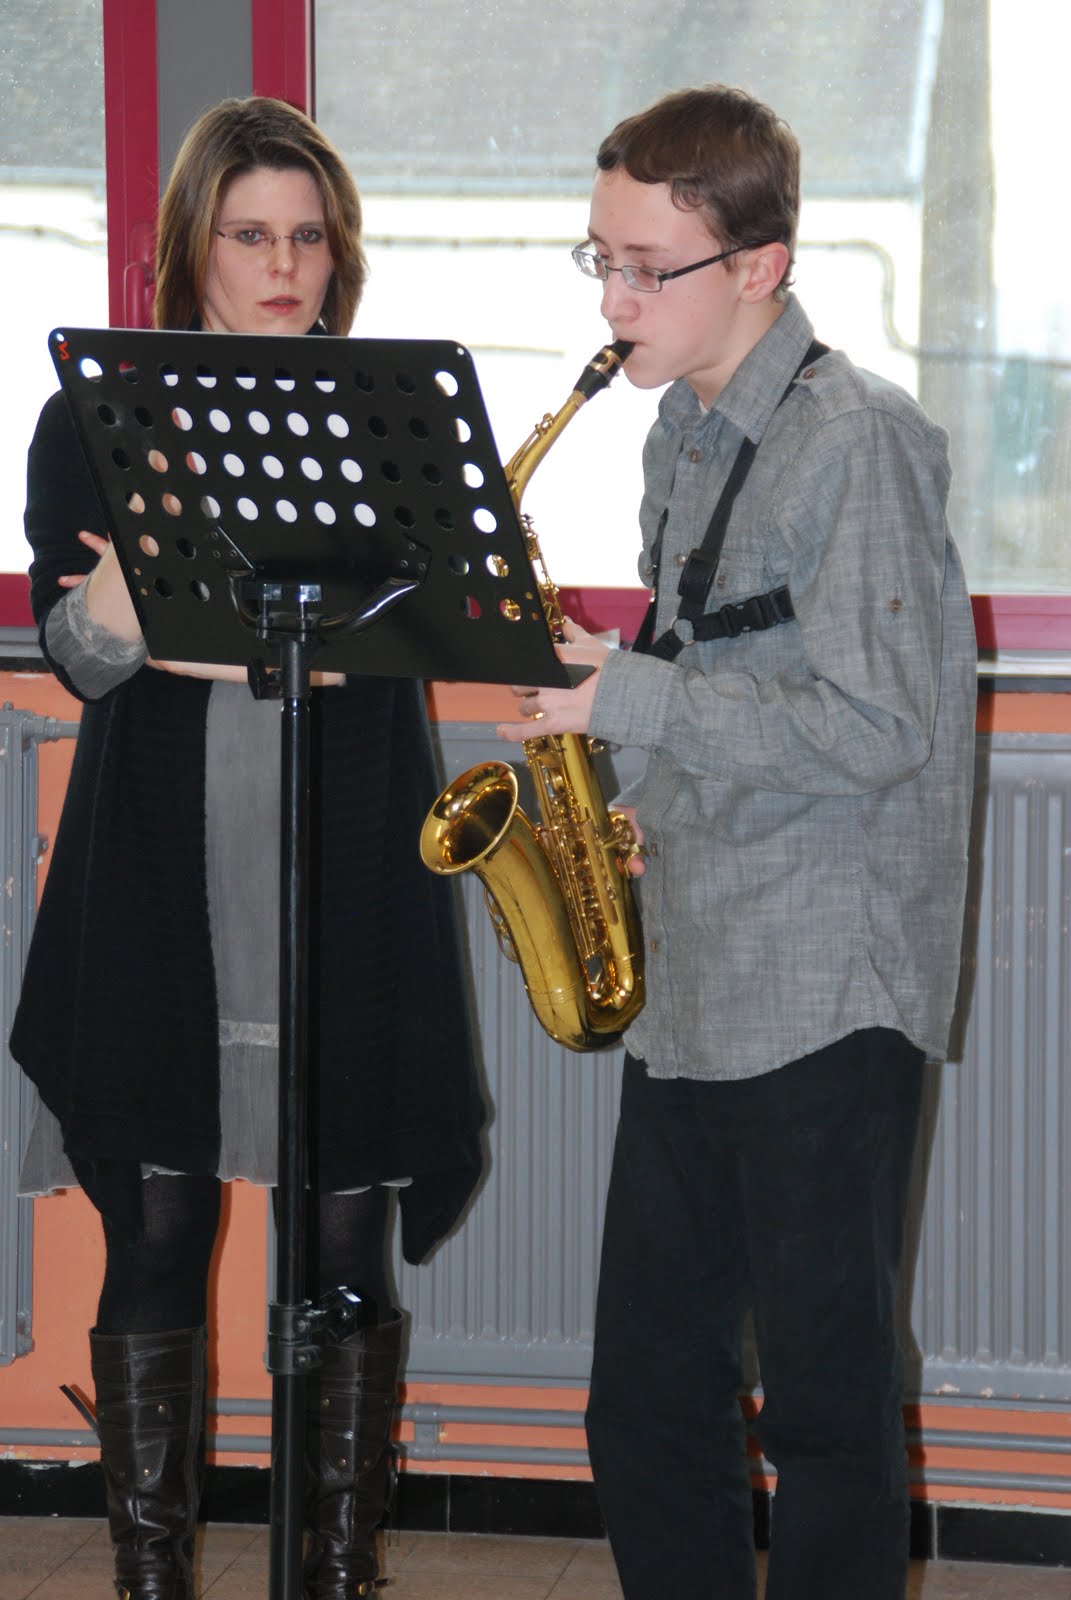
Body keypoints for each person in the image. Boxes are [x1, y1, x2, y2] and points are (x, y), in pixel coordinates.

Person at [497, 85, 976, 1600]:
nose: (616, 299)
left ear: (759, 265)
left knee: (829, 1414)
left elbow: (884, 727)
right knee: (643, 1402)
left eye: (650, 266)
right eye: (601, 262)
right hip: (698, 977)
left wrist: (622, 690)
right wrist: (624, 776)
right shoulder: (681, 440)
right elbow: (722, 683)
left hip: (825, 988)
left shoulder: (860, 445)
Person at [12, 96, 485, 1600]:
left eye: (307, 234)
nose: (285, 264)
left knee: (340, 1239)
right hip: (160, 867)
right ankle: (154, 1576)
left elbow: (425, 631)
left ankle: (334, 1574)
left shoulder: (389, 414)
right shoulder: (97, 417)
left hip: (345, 869)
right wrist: (152, 607)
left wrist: (214, 628)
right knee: (155, 1222)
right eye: (249, 235)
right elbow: (82, 657)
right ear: (190, 251)